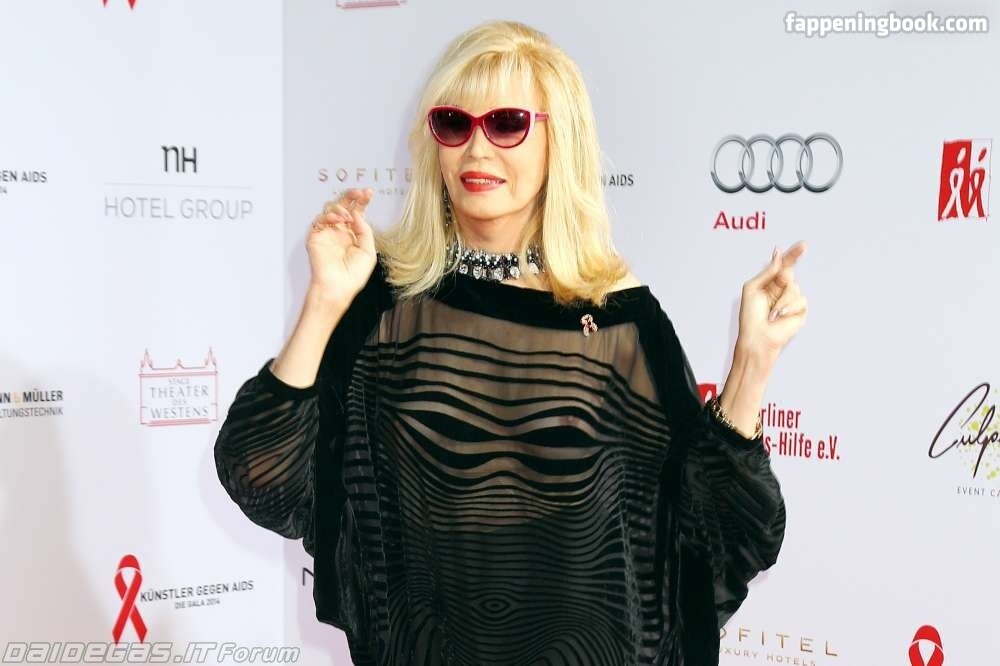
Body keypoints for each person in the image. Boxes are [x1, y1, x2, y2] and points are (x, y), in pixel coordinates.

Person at [214, 19, 806, 666]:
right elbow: (262, 474)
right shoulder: (381, 301)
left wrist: (753, 362)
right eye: (453, 124)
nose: (477, 149)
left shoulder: (618, 319)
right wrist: (326, 299)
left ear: (560, 142)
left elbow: (714, 532)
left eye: (506, 124)